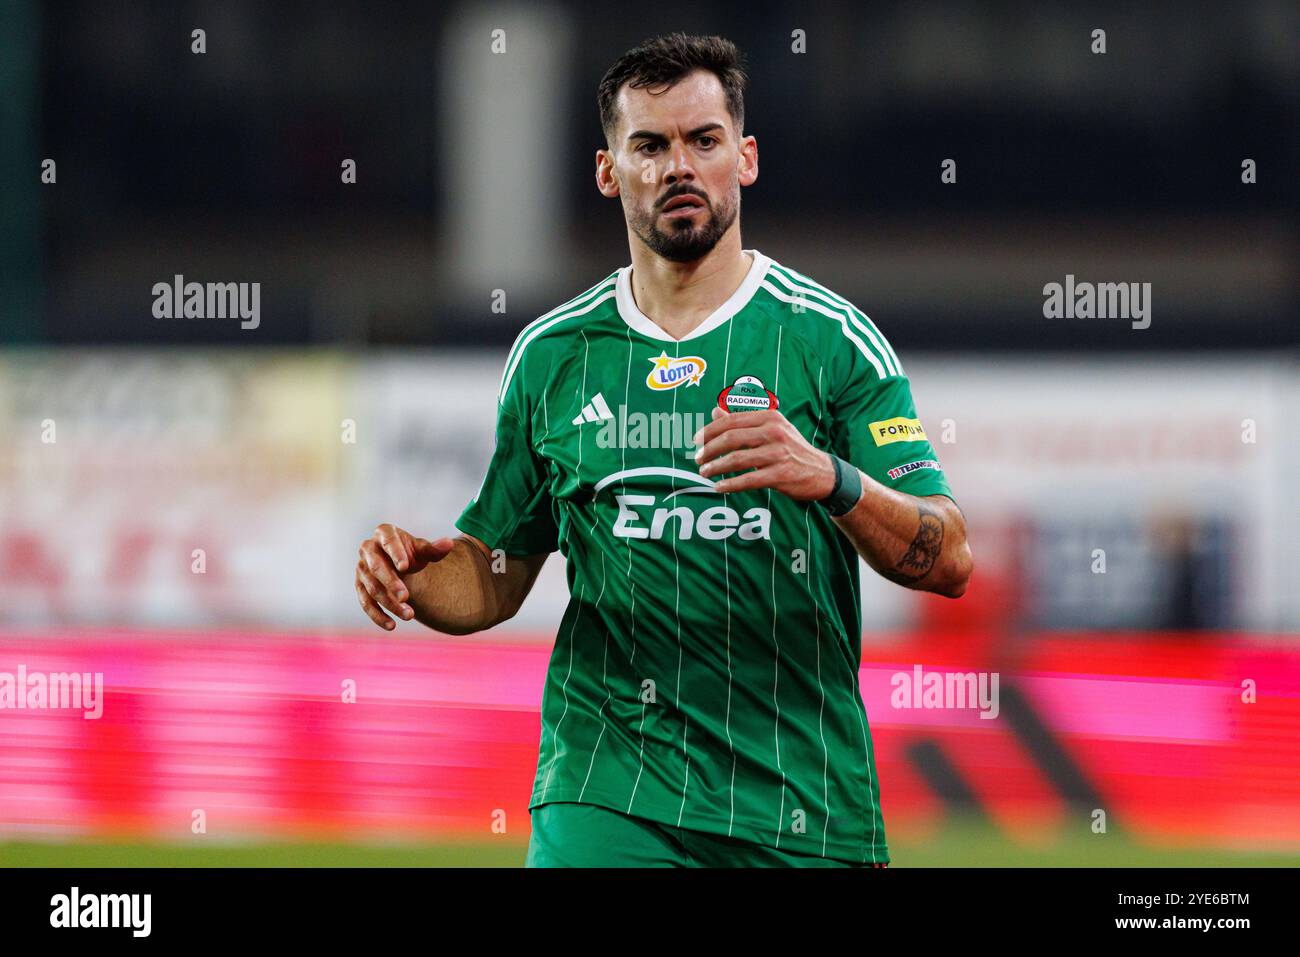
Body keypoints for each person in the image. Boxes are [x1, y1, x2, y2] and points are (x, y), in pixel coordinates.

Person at [355, 32, 972, 867]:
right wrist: (419, 576)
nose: (679, 166)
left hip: (799, 798)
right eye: (650, 145)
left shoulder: (832, 343)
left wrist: (830, 478)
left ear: (745, 159)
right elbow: (497, 572)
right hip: (608, 787)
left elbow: (949, 556)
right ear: (609, 172)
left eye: (703, 140)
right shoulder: (553, 355)